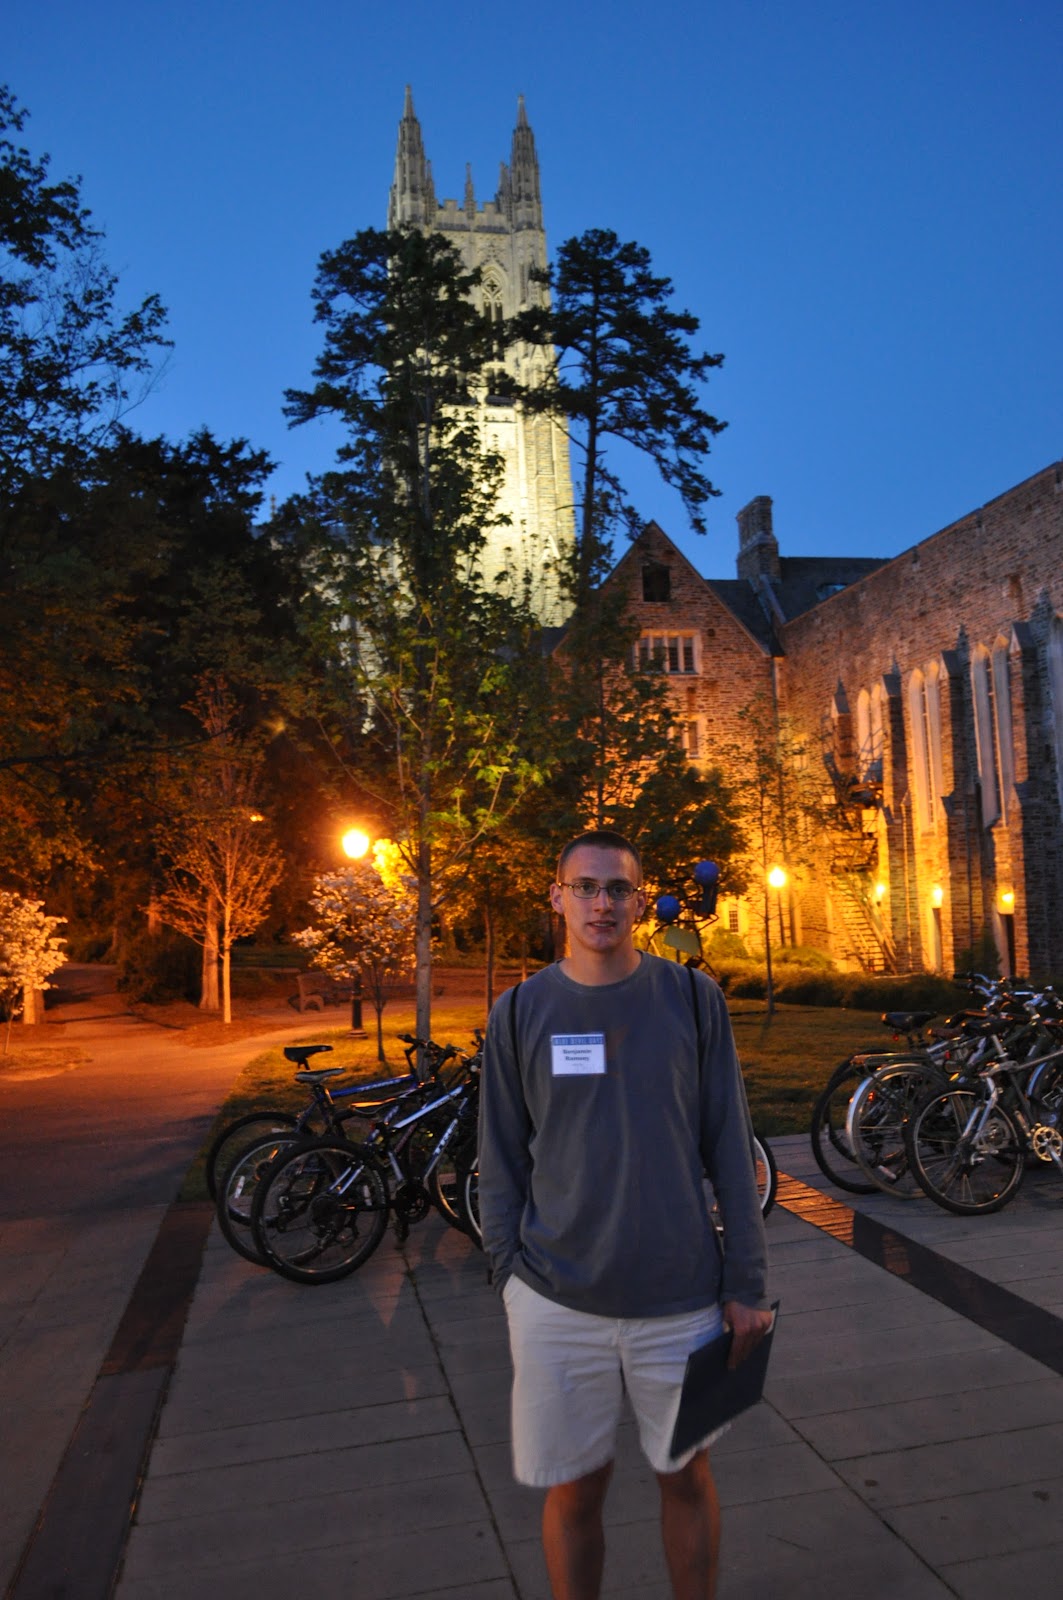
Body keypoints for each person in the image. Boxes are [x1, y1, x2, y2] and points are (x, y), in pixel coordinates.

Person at [478, 829, 772, 1600]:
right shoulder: (520, 1011)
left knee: (686, 1475)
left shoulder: (692, 1000)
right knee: (573, 1488)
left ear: (640, 902)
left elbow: (728, 1145)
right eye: (585, 886)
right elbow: (499, 1157)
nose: (600, 903)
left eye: (617, 888)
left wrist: (746, 1283)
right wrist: (508, 1276)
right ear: (557, 897)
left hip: (682, 1300)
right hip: (554, 1302)